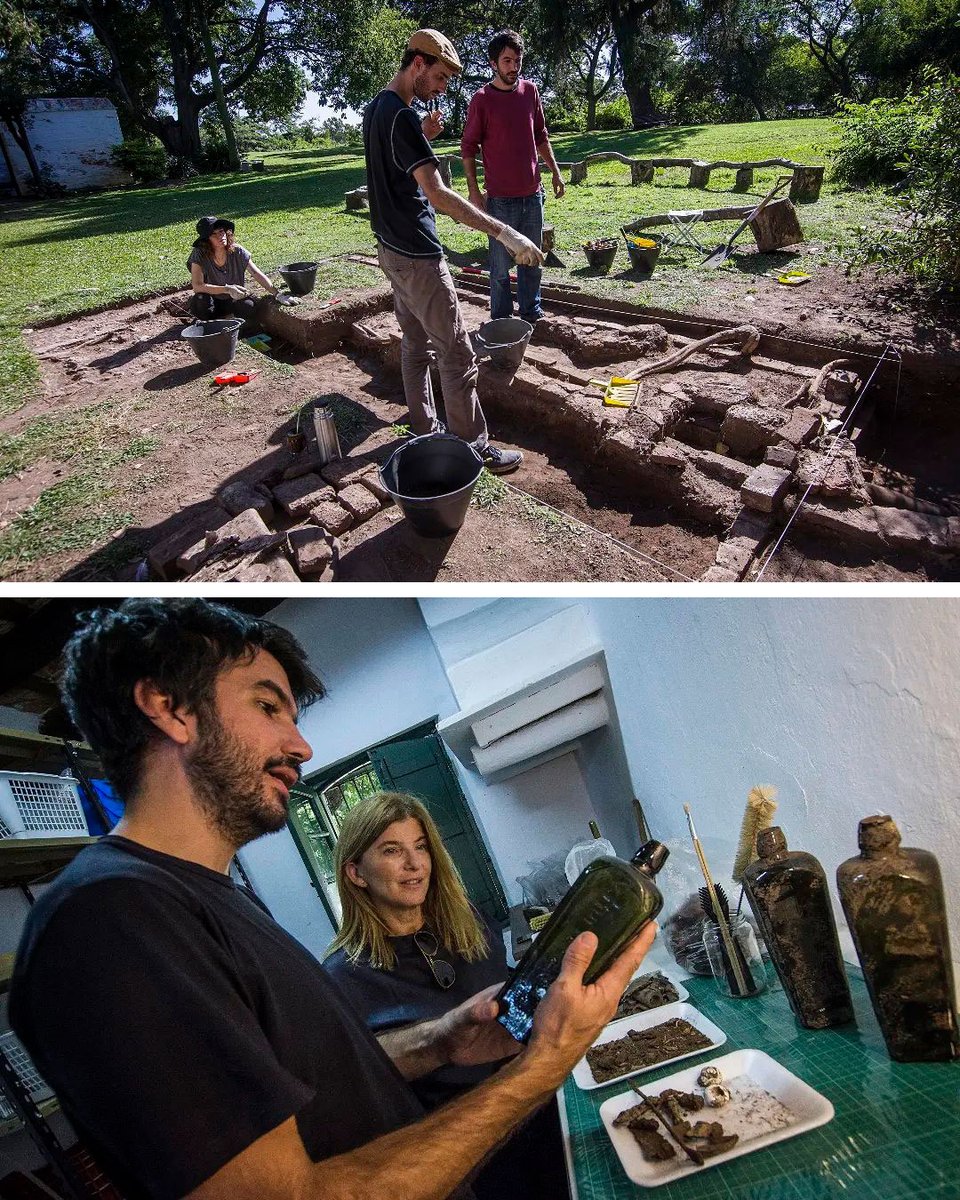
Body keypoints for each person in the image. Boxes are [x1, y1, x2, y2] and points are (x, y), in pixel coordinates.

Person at [10, 598, 657, 1200]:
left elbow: (314, 1092)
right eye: (268, 708)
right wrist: (539, 1067)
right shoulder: (111, 921)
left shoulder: (212, 901)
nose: (300, 745)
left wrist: (442, 1041)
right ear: (170, 708)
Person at [324, 792, 570, 1200]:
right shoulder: (340, 979)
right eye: (391, 850)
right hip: (470, 1159)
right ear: (356, 873)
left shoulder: (468, 921)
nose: (414, 863)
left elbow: (505, 993)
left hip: (543, 1109)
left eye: (420, 847)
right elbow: (354, 1084)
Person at [363, 29, 547, 475]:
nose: (443, 87)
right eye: (440, 77)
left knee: (414, 343)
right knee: (457, 353)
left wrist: (422, 133)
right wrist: (506, 233)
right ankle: (472, 446)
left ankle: (425, 427)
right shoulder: (401, 117)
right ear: (418, 64)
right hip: (418, 255)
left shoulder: (379, 110)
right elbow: (438, 194)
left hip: (390, 249)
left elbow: (394, 169)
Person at [462, 31, 565, 325]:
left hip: (533, 196)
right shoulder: (481, 99)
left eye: (517, 60)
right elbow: (468, 147)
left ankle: (531, 315)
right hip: (500, 202)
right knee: (499, 269)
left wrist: (555, 172)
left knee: (531, 261)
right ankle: (501, 321)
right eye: (507, 60)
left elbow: (541, 136)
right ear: (493, 63)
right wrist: (473, 192)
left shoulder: (530, 91)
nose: (513, 67)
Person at [187, 215, 280, 325]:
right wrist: (227, 289)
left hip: (233, 300)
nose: (220, 236)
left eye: (221, 231)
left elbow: (255, 273)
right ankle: (210, 324)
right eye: (213, 234)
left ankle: (229, 320)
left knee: (248, 306)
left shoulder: (238, 251)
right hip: (211, 301)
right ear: (206, 240)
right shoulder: (199, 254)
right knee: (200, 301)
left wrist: (277, 294)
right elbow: (197, 286)